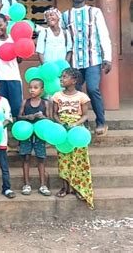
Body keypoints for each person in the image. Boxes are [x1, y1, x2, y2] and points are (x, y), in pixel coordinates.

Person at [62, 0, 112, 136]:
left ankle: (101, 122)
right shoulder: (65, 15)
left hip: (93, 59)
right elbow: (64, 39)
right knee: (74, 91)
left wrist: (107, 57)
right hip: (75, 62)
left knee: (92, 88)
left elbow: (103, 34)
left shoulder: (95, 12)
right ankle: (82, 123)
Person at [52, 68, 94, 209]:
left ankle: (78, 187)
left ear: (74, 80)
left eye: (65, 77)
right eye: (61, 77)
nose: (61, 79)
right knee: (63, 159)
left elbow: (85, 115)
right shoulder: (57, 95)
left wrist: (74, 125)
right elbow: (55, 114)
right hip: (62, 130)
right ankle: (65, 187)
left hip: (77, 131)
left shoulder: (82, 97)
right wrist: (62, 124)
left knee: (78, 160)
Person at [17, 79, 51, 196]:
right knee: (26, 158)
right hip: (26, 135)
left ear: (42, 90)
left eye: (36, 88)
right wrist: (29, 116)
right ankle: (26, 184)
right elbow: (19, 117)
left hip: (39, 136)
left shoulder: (45, 103)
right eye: (30, 87)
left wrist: (43, 117)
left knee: (41, 159)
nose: (32, 90)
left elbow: (49, 119)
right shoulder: (25, 102)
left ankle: (43, 185)